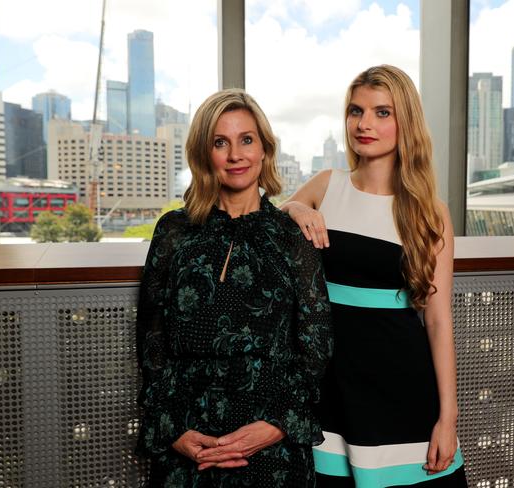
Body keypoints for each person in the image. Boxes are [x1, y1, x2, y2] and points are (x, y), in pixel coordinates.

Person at [280, 65, 468, 487]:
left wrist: (448, 419)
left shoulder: (430, 212)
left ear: (407, 122)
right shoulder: (327, 185)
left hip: (401, 384)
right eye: (355, 111)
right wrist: (298, 208)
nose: (364, 124)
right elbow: (269, 223)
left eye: (382, 112)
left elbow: (438, 322)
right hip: (330, 387)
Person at [135, 88, 333, 487]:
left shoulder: (291, 236)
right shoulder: (173, 231)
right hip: (190, 442)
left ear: (264, 149)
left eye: (247, 140)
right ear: (203, 153)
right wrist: (173, 429)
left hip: (271, 445)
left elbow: (317, 348)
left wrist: (277, 425)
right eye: (219, 142)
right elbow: (152, 342)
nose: (235, 155)